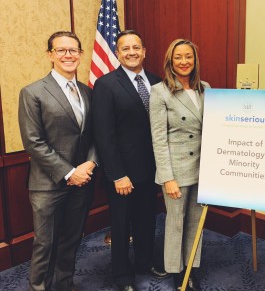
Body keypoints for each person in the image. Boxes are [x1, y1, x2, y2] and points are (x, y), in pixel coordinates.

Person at [18, 31, 97, 291]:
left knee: (71, 240)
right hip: (47, 184)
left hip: (81, 182)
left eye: (73, 50)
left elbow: (96, 135)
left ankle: (64, 285)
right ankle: (38, 287)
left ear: (81, 54)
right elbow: (34, 142)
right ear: (50, 55)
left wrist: (91, 163)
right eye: (61, 50)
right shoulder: (33, 92)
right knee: (45, 244)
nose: (68, 55)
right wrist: (68, 172)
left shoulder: (87, 92)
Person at [92, 30, 168, 291]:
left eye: (136, 47)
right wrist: (116, 174)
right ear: (117, 53)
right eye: (126, 48)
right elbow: (104, 134)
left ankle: (145, 263)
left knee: (148, 220)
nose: (132, 52)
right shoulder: (106, 84)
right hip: (122, 173)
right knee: (122, 225)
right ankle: (122, 276)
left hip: (152, 170)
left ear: (144, 51)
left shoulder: (158, 82)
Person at [150, 39, 210, 291]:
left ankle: (191, 268)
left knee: (196, 221)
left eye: (189, 57)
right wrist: (167, 177)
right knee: (175, 222)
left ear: (195, 60)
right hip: (176, 169)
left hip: (203, 167)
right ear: (170, 61)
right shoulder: (160, 91)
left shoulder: (205, 88)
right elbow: (159, 139)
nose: (184, 62)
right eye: (178, 57)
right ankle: (176, 271)